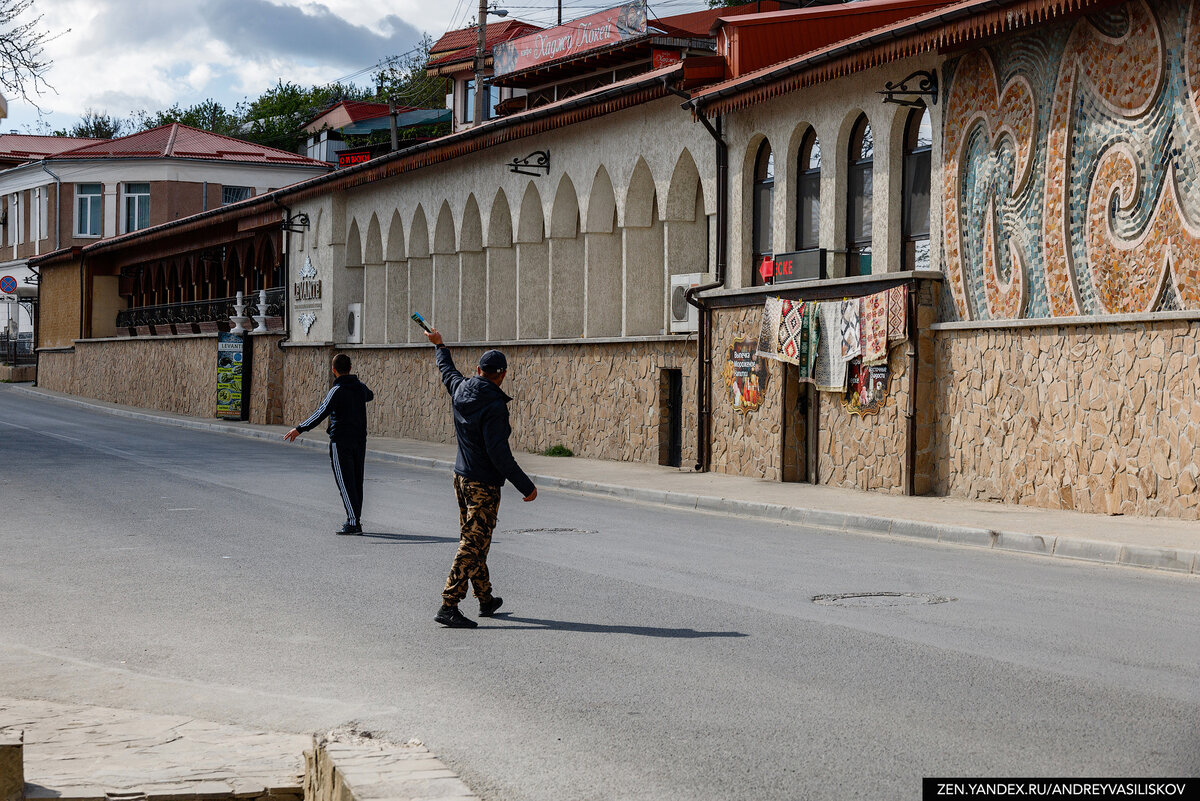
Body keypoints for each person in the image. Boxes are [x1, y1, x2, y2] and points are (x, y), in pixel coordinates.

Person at [425, 328, 537, 628]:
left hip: (461, 477)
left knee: (476, 539)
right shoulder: (495, 406)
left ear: (478, 371)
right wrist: (525, 486)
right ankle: (449, 605)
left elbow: (446, 370)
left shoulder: (461, 388)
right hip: (483, 484)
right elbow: (498, 453)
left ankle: (485, 598)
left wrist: (440, 345)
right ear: (501, 376)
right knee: (473, 543)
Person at [284, 353, 374, 535]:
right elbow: (369, 395)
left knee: (345, 482)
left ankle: (353, 522)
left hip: (340, 441)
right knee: (356, 482)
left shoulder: (337, 390)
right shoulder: (360, 387)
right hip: (359, 440)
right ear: (350, 368)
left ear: (333, 370)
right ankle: (355, 518)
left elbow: (321, 413)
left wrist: (299, 429)